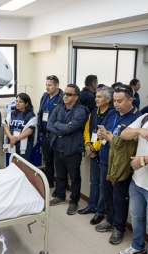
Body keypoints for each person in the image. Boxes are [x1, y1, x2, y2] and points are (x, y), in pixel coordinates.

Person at [118, 84, 148, 254]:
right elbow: (123, 133)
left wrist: (143, 160)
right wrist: (139, 131)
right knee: (136, 217)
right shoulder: (146, 118)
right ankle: (138, 246)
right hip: (137, 181)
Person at [95, 84, 141, 245]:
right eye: (114, 101)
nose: (116, 104)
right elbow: (106, 131)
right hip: (105, 159)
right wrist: (101, 134)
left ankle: (119, 227)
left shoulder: (137, 117)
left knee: (119, 196)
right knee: (107, 193)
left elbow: (132, 143)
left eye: (120, 101)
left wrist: (110, 139)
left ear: (131, 100)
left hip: (121, 164)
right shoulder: (112, 113)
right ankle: (110, 220)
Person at [47, 84, 89, 215]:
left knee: (74, 177)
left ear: (76, 97)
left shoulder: (81, 111)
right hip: (57, 147)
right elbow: (49, 125)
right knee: (60, 175)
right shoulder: (59, 108)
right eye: (64, 93)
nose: (65, 96)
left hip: (72, 149)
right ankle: (60, 196)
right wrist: (63, 127)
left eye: (69, 94)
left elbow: (71, 128)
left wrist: (58, 125)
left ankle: (74, 201)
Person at [78, 86, 113, 225]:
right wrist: (88, 145)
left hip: (103, 154)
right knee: (94, 181)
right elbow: (87, 130)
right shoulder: (94, 111)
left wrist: (93, 148)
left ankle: (99, 211)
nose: (96, 99)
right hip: (92, 152)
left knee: (102, 185)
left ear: (108, 99)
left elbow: (106, 136)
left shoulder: (112, 114)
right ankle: (91, 205)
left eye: (99, 97)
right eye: (96, 96)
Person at [37, 75, 63, 188]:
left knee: (58, 161)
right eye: (46, 85)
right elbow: (40, 112)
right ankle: (49, 182)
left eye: (50, 85)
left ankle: (60, 186)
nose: (47, 87)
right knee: (47, 160)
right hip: (45, 134)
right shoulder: (44, 96)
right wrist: (40, 129)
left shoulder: (62, 97)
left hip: (56, 135)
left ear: (57, 85)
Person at [4, 93, 37, 162]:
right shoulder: (12, 113)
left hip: (24, 144)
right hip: (12, 142)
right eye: (16, 101)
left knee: (23, 165)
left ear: (26, 103)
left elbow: (29, 131)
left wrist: (16, 139)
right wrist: (11, 137)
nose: (17, 103)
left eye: (20, 102)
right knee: (13, 164)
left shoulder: (31, 116)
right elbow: (6, 126)